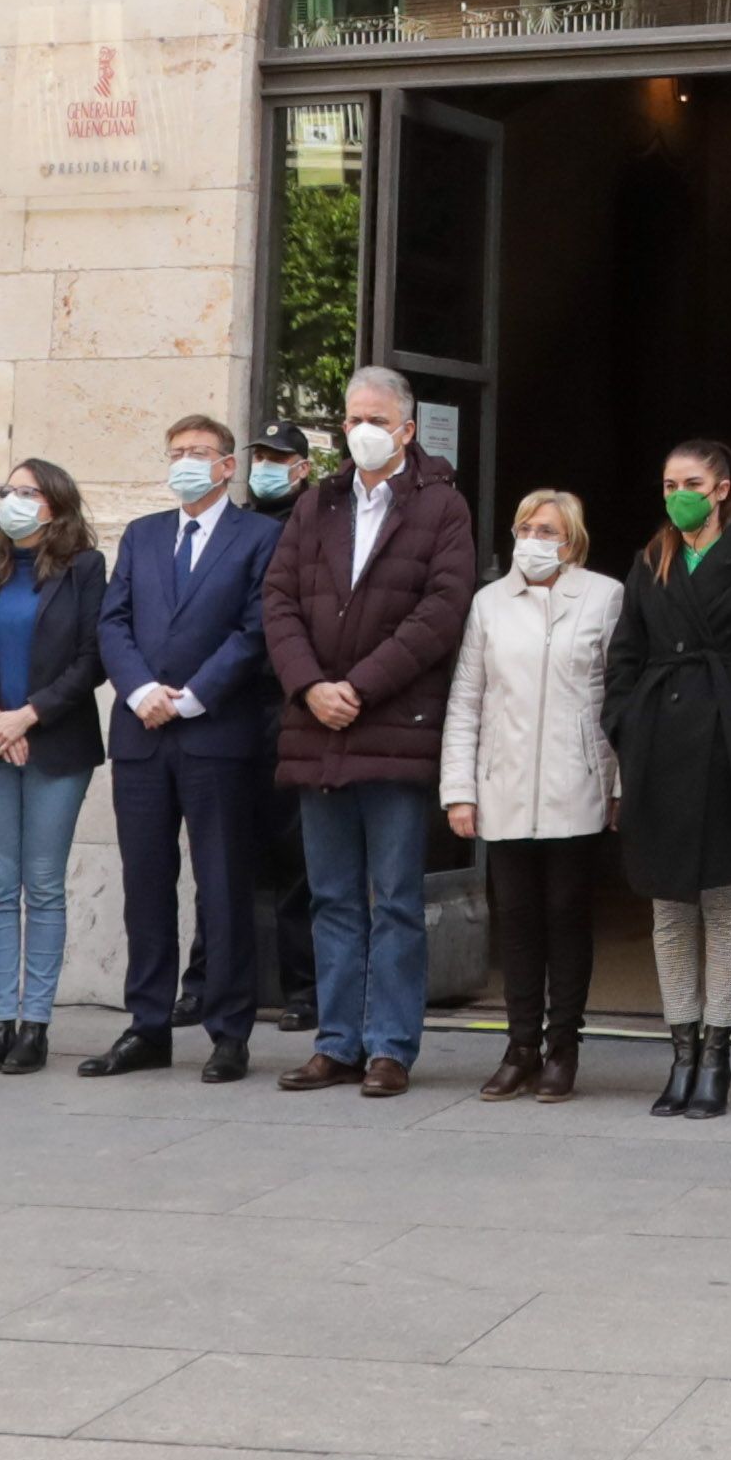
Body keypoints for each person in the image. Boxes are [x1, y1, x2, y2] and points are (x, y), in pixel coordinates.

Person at [262, 368, 475, 1099]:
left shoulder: (441, 507)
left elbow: (443, 609)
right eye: (353, 417)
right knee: (331, 897)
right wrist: (310, 685)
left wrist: (360, 686)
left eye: (376, 418)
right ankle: (336, 1042)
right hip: (317, 728)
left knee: (395, 899)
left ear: (407, 430)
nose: (362, 430)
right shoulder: (316, 505)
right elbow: (279, 599)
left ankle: (389, 1047)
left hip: (393, 728)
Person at [80, 414, 276, 1084]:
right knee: (145, 885)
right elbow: (112, 621)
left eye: (198, 453)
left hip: (214, 733)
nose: (185, 463)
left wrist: (193, 695)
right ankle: (148, 1024)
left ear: (227, 466)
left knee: (222, 886)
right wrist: (139, 693)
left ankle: (227, 1031)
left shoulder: (261, 537)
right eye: (176, 453)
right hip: (142, 734)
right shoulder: (142, 535)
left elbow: (256, 630)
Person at [607, 435, 731, 1118]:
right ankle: (679, 1051)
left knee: (725, 904)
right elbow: (625, 654)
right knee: (667, 906)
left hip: (726, 747)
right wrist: (627, 719)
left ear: (719, 488)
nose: (675, 492)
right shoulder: (651, 558)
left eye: (688, 481)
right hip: (658, 745)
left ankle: (717, 1055)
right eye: (666, 482)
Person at [445, 483, 620, 1100]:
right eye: (525, 529)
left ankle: (563, 1048)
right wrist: (458, 790)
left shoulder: (604, 596)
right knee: (516, 920)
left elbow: (616, 697)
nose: (533, 541)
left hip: (577, 783)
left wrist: (618, 783)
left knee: (568, 916)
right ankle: (520, 1046)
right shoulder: (489, 603)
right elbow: (467, 698)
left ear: (572, 540)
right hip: (505, 783)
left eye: (547, 531)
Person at [0, 453, 105, 1074]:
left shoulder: (85, 568)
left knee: (42, 883)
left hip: (54, 742)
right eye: (6, 489)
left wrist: (28, 715)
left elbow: (92, 659)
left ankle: (35, 1024)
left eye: (27, 491)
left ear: (55, 505)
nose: (12, 500)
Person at [238, 420, 322, 1030]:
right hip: (228, 703)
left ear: (302, 467)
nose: (266, 465)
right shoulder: (235, 523)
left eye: (278, 457)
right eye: (259, 456)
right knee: (223, 854)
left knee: (299, 856)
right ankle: (210, 981)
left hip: (289, 701)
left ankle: (305, 989)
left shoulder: (316, 523)